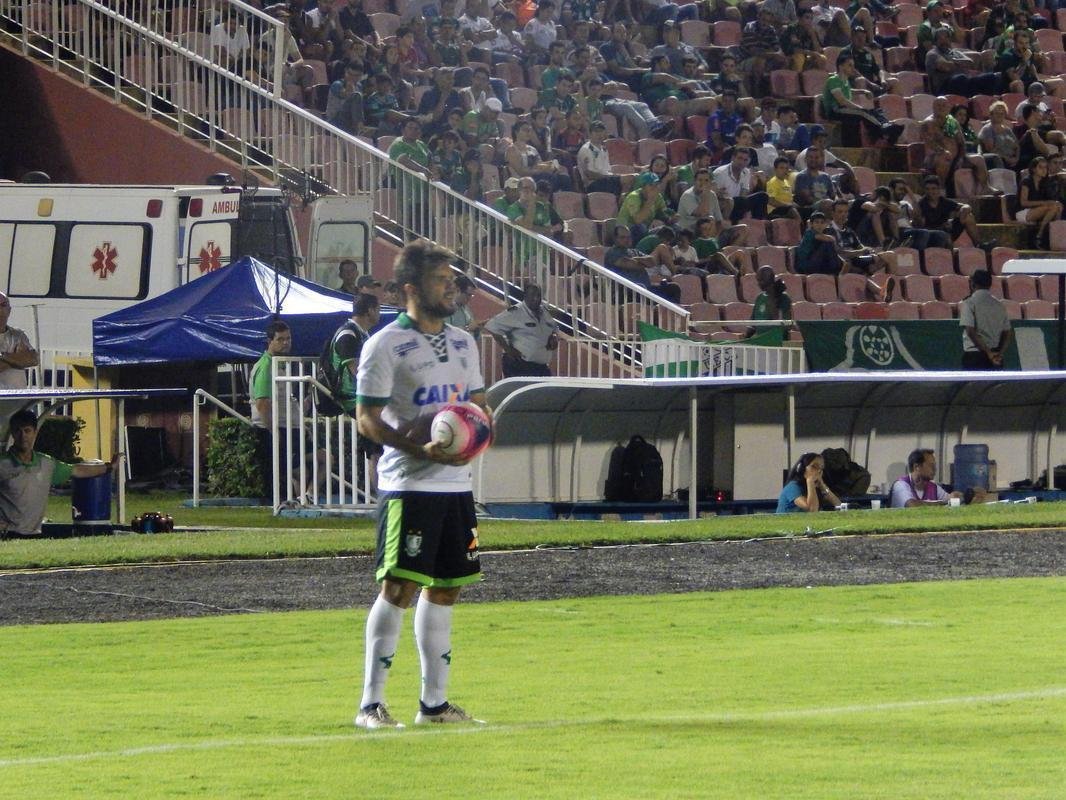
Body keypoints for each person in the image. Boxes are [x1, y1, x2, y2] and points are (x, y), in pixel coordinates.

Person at [354, 240, 489, 729]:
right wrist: (418, 449)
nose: (451, 287)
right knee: (399, 586)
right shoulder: (385, 344)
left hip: (456, 486)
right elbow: (367, 419)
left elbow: (478, 405)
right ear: (411, 288)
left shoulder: (464, 342)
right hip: (409, 486)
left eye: (453, 279)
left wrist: (478, 431)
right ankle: (370, 704)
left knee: (447, 589)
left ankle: (434, 705)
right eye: (441, 279)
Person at [0, 409, 124, 538]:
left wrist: (109, 467)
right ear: (13, 433)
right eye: (18, 431)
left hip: (34, 535)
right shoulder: (3, 464)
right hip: (7, 535)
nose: (23, 436)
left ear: (35, 433)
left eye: (27, 431)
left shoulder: (46, 464)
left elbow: (77, 470)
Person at [327, 292, 383, 488]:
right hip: (353, 398)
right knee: (376, 450)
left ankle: (381, 492)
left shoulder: (361, 333)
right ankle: (379, 495)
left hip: (364, 398)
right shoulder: (348, 335)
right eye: (378, 309)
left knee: (378, 449)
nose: (380, 313)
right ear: (369, 311)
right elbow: (358, 371)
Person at [250, 320, 302, 498]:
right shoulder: (266, 367)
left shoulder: (280, 364)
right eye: (280, 339)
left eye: (288, 338)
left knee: (295, 469)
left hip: (283, 426)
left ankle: (297, 499)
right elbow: (262, 403)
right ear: (269, 341)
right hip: (271, 428)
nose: (285, 343)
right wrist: (273, 431)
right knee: (281, 473)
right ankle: (288, 501)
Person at [484, 282, 559, 377]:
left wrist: (554, 336)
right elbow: (492, 326)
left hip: (541, 367)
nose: (536, 298)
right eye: (532, 295)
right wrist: (508, 349)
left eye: (538, 295)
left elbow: (554, 327)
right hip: (521, 366)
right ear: (525, 296)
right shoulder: (516, 312)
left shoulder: (544, 312)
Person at [960, 269, 1012, 370]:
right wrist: (999, 354)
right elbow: (1007, 332)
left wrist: (988, 353)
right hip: (995, 355)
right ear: (990, 284)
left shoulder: (969, 303)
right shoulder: (999, 305)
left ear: (972, 284)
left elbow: (970, 331)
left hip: (974, 355)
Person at [889, 448, 964, 508]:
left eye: (934, 465)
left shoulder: (934, 487)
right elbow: (912, 506)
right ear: (917, 467)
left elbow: (950, 499)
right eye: (931, 465)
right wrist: (945, 502)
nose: (935, 469)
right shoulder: (900, 485)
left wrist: (958, 497)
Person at [776, 452, 841, 513]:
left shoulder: (815, 487)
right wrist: (810, 481)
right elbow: (812, 510)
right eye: (814, 466)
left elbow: (838, 504)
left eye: (821, 468)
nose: (818, 470)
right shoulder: (792, 487)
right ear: (802, 469)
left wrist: (823, 486)